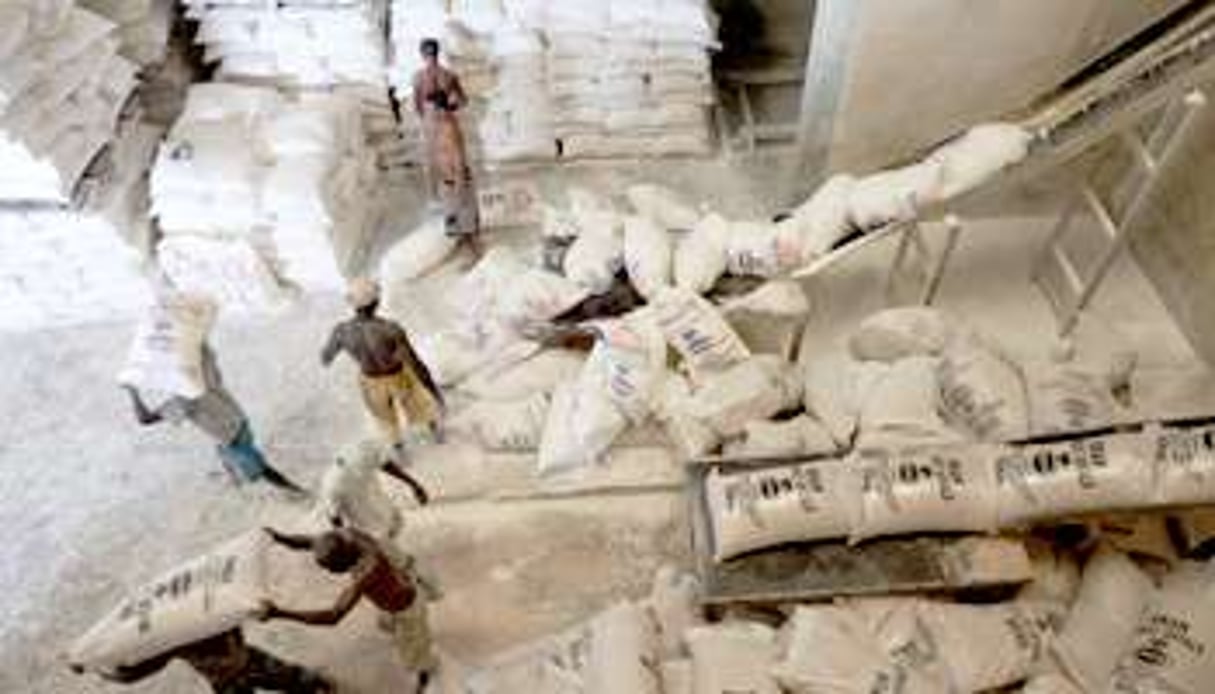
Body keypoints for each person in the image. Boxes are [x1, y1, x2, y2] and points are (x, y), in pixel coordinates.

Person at [262, 527, 438, 692]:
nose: (329, 572)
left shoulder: (367, 573)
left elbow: (333, 616)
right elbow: (309, 542)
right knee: (387, 624)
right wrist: (278, 537)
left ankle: (424, 669)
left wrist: (280, 613)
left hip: (407, 609)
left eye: (330, 568)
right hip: (395, 594)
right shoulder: (349, 536)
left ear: (344, 561)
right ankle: (405, 636)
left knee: (413, 648)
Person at [124, 344, 306, 494]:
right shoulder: (203, 371)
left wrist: (133, 392)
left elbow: (145, 418)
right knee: (231, 463)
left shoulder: (183, 399)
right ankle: (238, 484)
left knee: (261, 471)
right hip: (240, 423)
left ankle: (298, 493)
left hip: (231, 438)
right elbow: (202, 347)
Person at [321, 278, 444, 458]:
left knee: (385, 420)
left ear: (353, 305)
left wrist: (349, 349)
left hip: (370, 380)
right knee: (422, 405)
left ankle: (402, 455)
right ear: (377, 302)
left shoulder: (341, 331)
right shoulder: (390, 328)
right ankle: (438, 437)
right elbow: (415, 362)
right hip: (397, 375)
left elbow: (325, 358)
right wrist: (432, 388)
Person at [85, 627, 331, 693]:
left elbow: (131, 675)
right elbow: (132, 675)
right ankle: (317, 685)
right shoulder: (212, 613)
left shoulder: (172, 641)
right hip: (245, 666)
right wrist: (93, 666)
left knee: (297, 680)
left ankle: (315, 685)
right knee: (296, 679)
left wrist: (95, 668)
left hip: (229, 680)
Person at [412, 37, 482, 260]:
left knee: (457, 172)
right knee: (450, 175)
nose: (430, 57)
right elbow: (421, 106)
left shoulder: (441, 76)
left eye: (430, 53)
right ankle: (459, 229)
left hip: (442, 128)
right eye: (428, 54)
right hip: (439, 128)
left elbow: (459, 101)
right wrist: (446, 108)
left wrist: (444, 107)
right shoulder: (428, 77)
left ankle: (467, 229)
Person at [319, 439, 431, 541]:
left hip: (374, 497)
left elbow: (387, 466)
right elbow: (333, 515)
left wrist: (414, 485)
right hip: (364, 520)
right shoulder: (332, 485)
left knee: (395, 523)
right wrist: (344, 537)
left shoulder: (363, 451)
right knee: (381, 535)